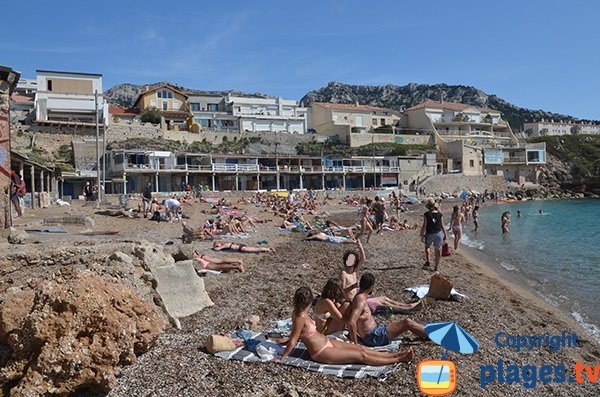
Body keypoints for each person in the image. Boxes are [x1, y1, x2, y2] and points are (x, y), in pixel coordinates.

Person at [279, 287, 414, 364]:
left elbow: (294, 336)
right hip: (321, 352)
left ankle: (396, 354)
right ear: (308, 302)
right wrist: (282, 357)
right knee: (361, 356)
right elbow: (293, 340)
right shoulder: (299, 317)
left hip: (327, 342)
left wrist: (284, 341)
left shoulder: (301, 313)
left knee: (361, 349)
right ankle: (399, 359)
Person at [346, 274, 427, 347]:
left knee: (404, 323)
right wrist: (355, 344)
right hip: (374, 337)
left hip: (375, 333)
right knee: (407, 322)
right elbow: (351, 322)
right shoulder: (361, 301)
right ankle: (431, 335)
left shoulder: (359, 297)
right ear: (371, 287)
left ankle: (425, 335)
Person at [420, 198, 447, 271]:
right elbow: (442, 225)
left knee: (427, 247)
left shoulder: (426, 214)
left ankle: (428, 261)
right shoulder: (439, 214)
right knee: (437, 250)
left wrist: (422, 235)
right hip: (438, 234)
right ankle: (436, 266)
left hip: (429, 233)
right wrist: (445, 235)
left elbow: (424, 225)